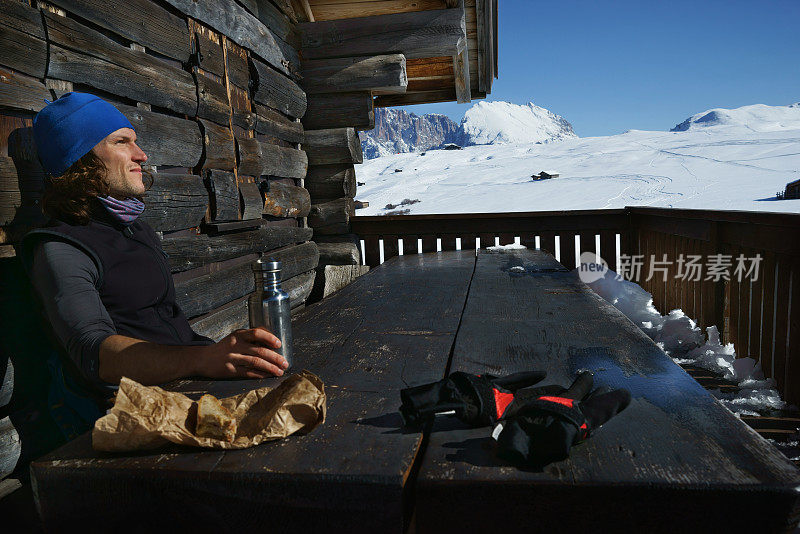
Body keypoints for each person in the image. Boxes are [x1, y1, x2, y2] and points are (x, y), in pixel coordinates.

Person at [21, 93, 287, 425]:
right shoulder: (62, 248)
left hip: (186, 390)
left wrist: (223, 355)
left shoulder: (134, 229)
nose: (142, 155)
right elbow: (96, 354)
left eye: (136, 142)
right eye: (122, 143)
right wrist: (203, 358)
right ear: (81, 161)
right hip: (133, 416)